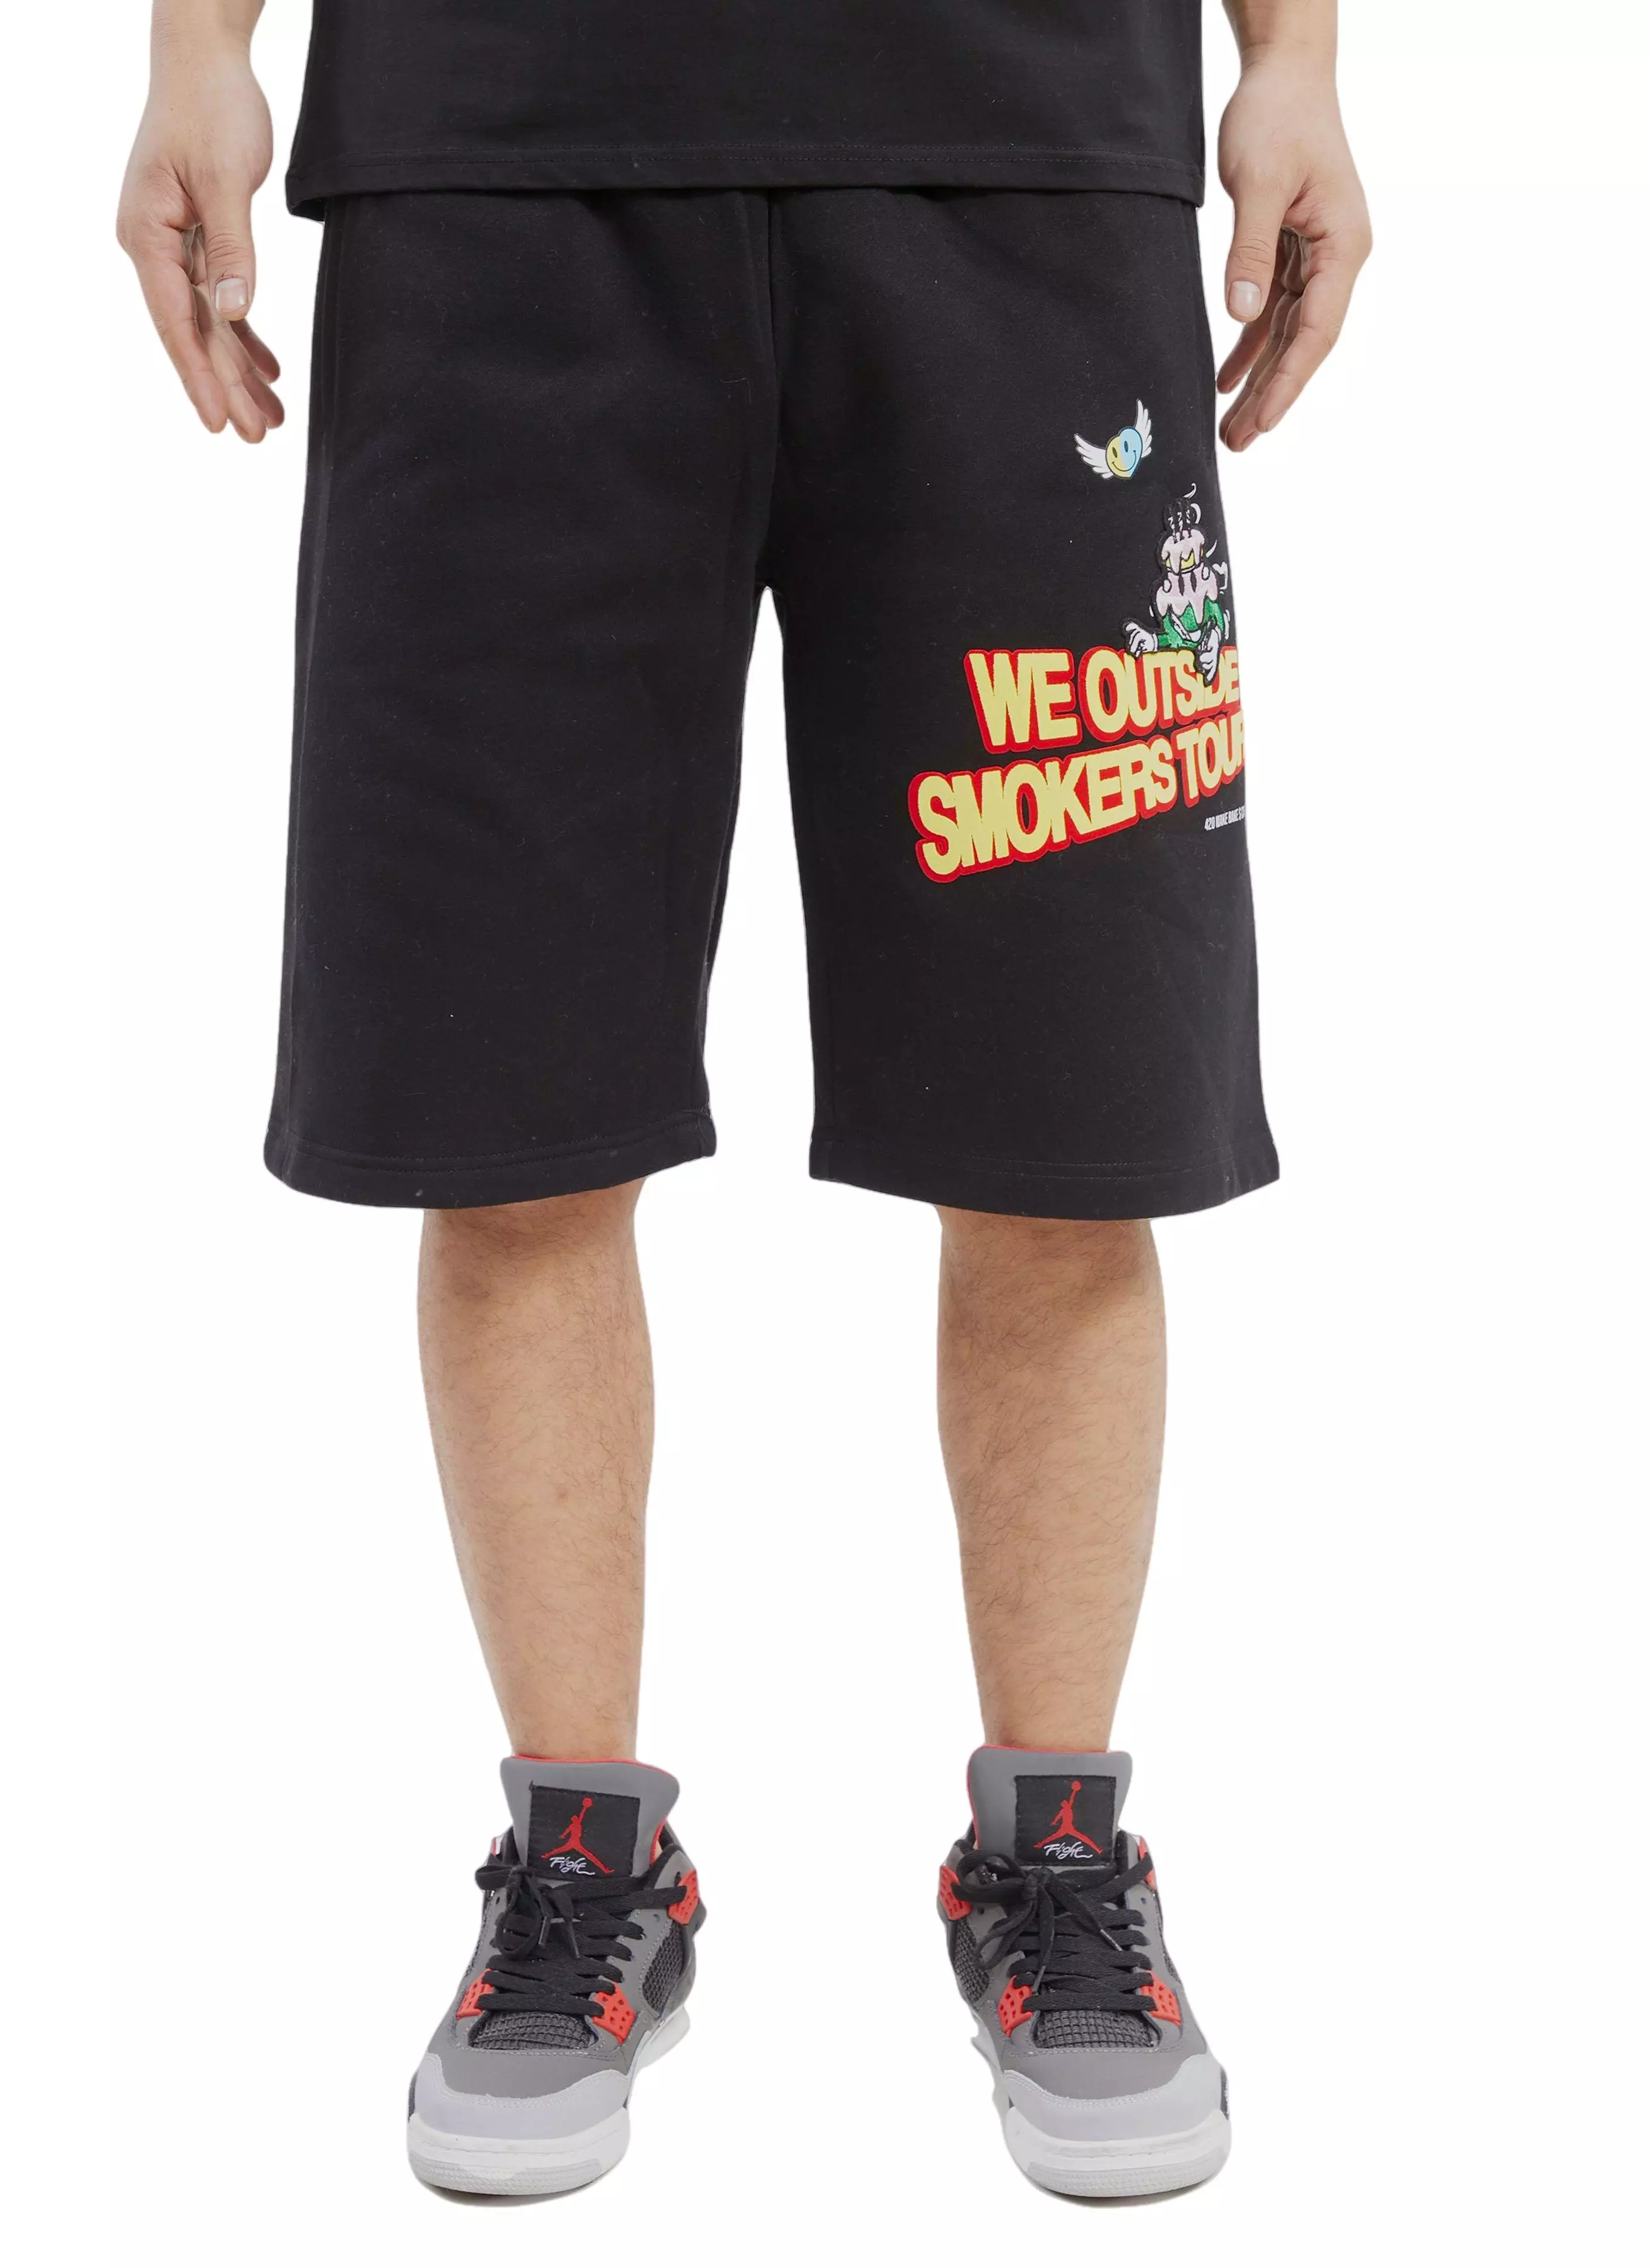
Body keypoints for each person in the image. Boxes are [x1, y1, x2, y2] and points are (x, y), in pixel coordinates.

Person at [118, 0, 1368, 2202]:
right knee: (508, 1109)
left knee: (1071, 1113)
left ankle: (1058, 1856)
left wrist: (1300, 63)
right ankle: (581, 1864)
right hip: (499, 162)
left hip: (1025, 158)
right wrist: (191, 46)